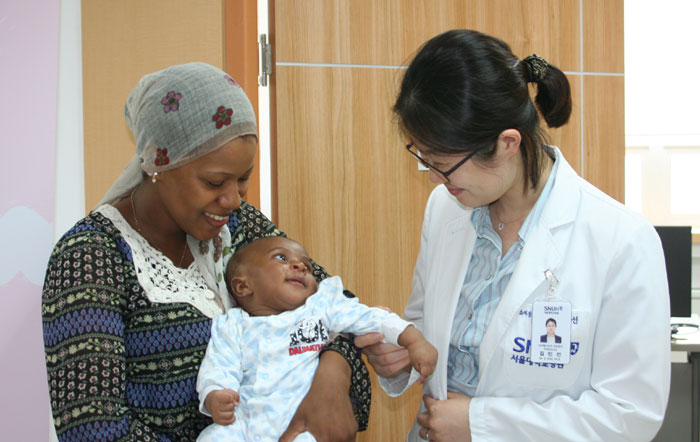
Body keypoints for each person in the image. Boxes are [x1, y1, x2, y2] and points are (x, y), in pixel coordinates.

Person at [354, 29, 670, 441]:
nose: (433, 177)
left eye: (444, 164)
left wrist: (480, 426)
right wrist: (403, 355)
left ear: (507, 143)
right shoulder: (444, 210)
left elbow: (629, 416)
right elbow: (428, 331)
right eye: (423, 158)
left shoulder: (622, 241)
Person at [42, 62, 371, 442]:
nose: (233, 199)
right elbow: (93, 430)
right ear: (158, 165)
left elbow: (340, 310)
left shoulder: (240, 228)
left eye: (244, 178)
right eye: (214, 181)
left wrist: (333, 374)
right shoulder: (91, 256)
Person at [196, 236, 438, 441]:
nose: (300, 267)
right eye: (282, 258)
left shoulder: (321, 307)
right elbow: (219, 364)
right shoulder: (233, 325)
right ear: (243, 287)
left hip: (301, 424)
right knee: (214, 436)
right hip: (245, 423)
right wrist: (215, 394)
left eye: (307, 266)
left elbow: (369, 316)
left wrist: (412, 338)